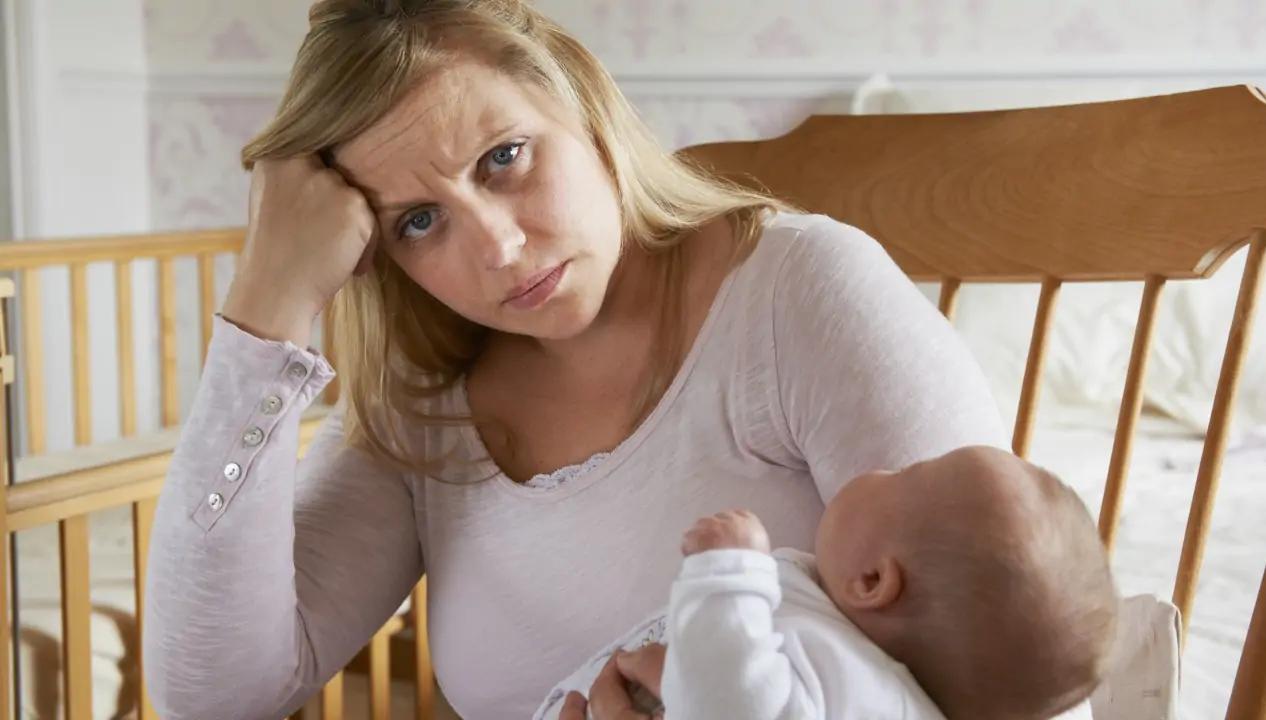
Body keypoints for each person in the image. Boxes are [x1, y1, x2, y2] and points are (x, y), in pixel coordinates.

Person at [140, 1, 1009, 719]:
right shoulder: (421, 404)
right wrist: (264, 311)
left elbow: (1007, 667)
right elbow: (210, 693)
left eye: (503, 158)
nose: (499, 247)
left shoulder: (799, 292)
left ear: (582, 102)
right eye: (417, 221)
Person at [540, 447, 1121, 720]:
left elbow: (731, 708)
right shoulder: (852, 656)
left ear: (871, 580)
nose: (884, 466)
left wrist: (728, 575)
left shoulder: (848, 675)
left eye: (906, 475)